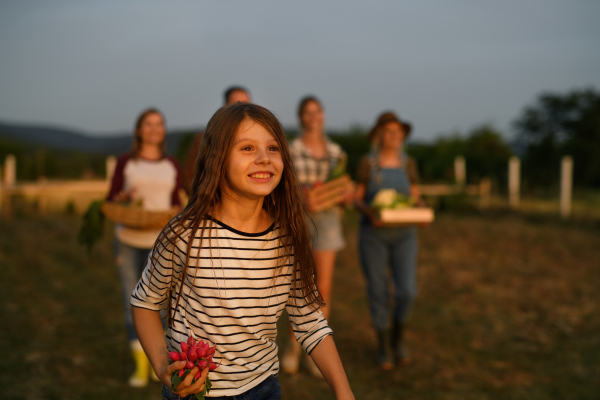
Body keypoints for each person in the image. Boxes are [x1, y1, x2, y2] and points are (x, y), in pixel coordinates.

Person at [130, 103, 355, 400]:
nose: (264, 159)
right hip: (195, 393)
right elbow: (145, 302)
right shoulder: (184, 233)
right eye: (247, 148)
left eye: (273, 148)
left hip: (264, 389)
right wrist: (162, 365)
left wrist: (343, 391)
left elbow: (309, 320)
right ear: (217, 158)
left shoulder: (287, 236)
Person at [106, 108, 182, 387]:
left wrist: (176, 209)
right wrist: (123, 198)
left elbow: (176, 200)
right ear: (139, 130)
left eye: (159, 124)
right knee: (132, 301)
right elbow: (111, 198)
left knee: (163, 304)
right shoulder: (126, 162)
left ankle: (158, 363)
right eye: (148, 124)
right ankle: (140, 366)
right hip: (127, 240)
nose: (154, 129)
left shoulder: (171, 164)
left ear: (163, 130)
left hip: (162, 243)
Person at [283, 96, 350, 377]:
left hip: (329, 220)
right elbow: (283, 184)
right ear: (301, 117)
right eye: (308, 113)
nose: (313, 117)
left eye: (317, 111)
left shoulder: (336, 152)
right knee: (299, 286)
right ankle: (292, 345)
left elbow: (343, 188)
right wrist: (302, 195)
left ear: (322, 115)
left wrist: (345, 194)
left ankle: (315, 351)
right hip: (298, 219)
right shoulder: (292, 149)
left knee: (323, 289)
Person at [354, 111, 423, 370]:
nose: (395, 137)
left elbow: (415, 196)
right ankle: (383, 345)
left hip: (405, 234)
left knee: (407, 291)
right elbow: (358, 198)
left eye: (399, 133)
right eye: (389, 132)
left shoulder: (408, 164)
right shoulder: (368, 164)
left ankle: (398, 339)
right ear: (379, 135)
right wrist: (369, 211)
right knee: (378, 290)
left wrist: (423, 209)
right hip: (374, 235)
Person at [181, 85, 251, 195]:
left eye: (247, 105)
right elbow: (188, 176)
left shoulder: (257, 141)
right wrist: (207, 200)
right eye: (237, 104)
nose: (242, 109)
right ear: (225, 107)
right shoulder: (204, 139)